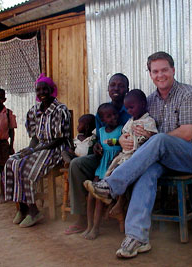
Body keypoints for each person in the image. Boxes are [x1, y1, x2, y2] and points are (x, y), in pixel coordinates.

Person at [84, 52, 192, 258]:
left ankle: (111, 186)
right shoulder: (149, 101)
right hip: (162, 158)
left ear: (173, 70)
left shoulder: (189, 94)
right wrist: (126, 138)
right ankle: (137, 237)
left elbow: (187, 134)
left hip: (191, 156)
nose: (160, 75)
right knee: (147, 171)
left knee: (158, 140)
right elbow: (135, 127)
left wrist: (153, 139)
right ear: (150, 74)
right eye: (155, 71)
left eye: (164, 70)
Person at [64, 73, 131, 235]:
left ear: (127, 90)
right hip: (103, 157)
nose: (116, 88)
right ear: (108, 89)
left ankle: (121, 211)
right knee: (76, 165)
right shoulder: (102, 111)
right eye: (112, 85)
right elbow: (98, 137)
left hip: (124, 158)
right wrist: (96, 147)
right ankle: (82, 219)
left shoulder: (130, 109)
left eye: (120, 85)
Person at [4, 74, 71, 228]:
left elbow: (59, 139)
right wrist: (30, 149)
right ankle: (23, 207)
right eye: (38, 90)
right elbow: (34, 137)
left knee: (26, 167)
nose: (42, 93)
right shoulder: (34, 111)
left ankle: (34, 211)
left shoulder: (60, 110)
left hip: (56, 149)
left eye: (45, 89)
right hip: (39, 147)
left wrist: (35, 150)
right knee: (12, 162)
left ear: (51, 90)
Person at [95, 89, 158, 217]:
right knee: (112, 170)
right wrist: (116, 140)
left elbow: (155, 139)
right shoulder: (130, 121)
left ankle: (120, 202)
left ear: (142, 105)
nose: (129, 111)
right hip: (125, 155)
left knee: (124, 172)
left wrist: (146, 133)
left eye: (131, 107)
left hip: (138, 156)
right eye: (127, 108)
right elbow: (123, 135)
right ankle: (110, 194)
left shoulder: (148, 121)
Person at [81, 103, 122, 240]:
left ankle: (96, 228)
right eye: (109, 116)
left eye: (115, 114)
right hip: (102, 166)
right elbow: (99, 145)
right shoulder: (102, 131)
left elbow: (123, 146)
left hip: (112, 167)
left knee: (99, 196)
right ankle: (89, 225)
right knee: (91, 195)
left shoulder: (122, 130)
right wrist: (97, 148)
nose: (113, 117)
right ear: (103, 120)